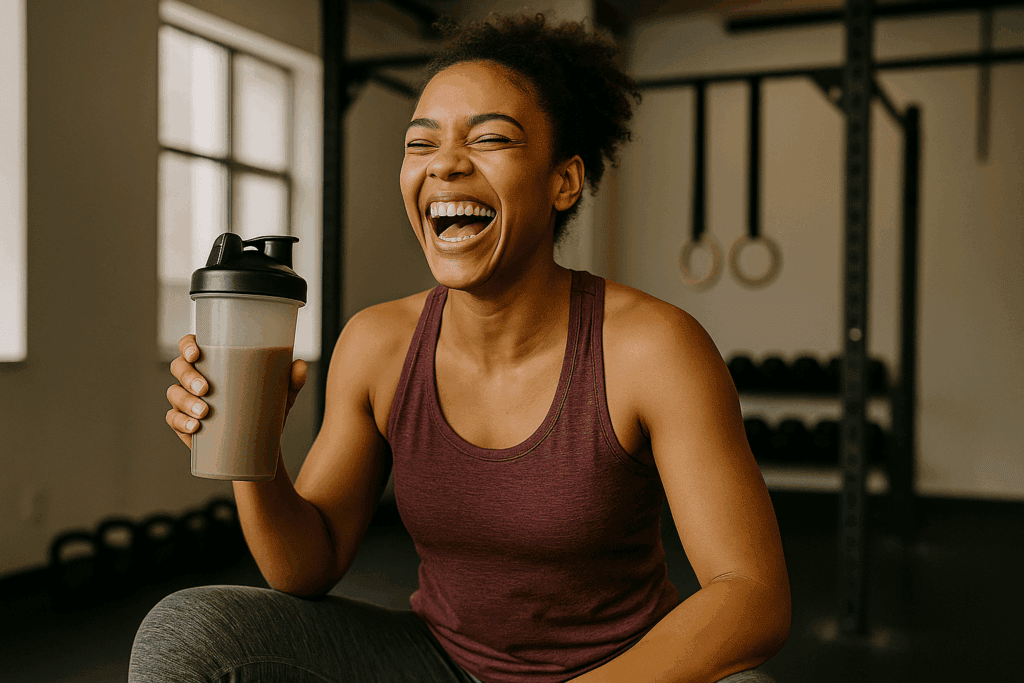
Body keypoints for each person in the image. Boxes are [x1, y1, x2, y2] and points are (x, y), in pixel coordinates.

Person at [132, 13, 789, 683]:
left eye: (491, 138)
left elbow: (752, 595)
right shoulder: (379, 343)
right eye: (421, 144)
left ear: (563, 181)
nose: (445, 163)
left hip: (616, 672)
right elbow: (308, 564)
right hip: (439, 665)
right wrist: (255, 448)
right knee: (190, 634)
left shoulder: (652, 348)